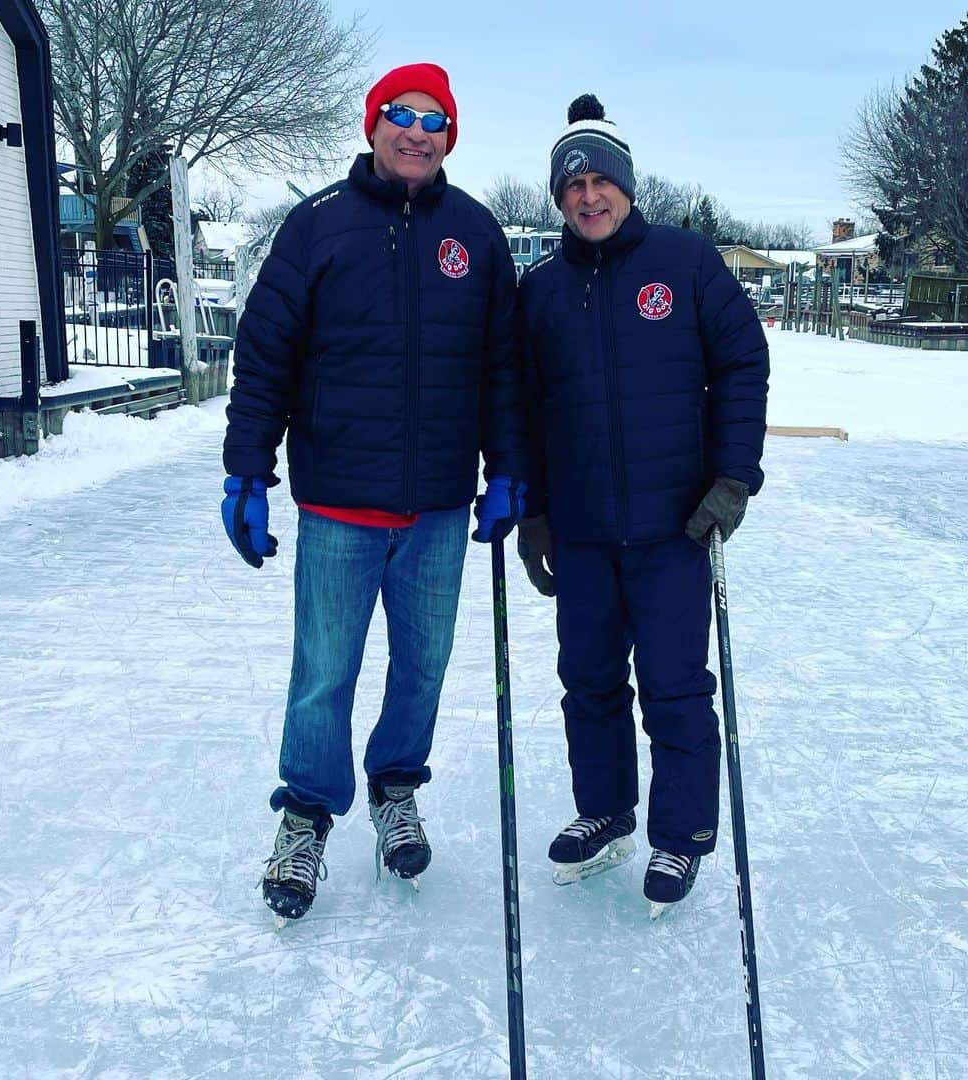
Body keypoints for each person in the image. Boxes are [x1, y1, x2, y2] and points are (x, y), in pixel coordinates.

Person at [222, 63, 527, 924]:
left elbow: (503, 368)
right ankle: (307, 818)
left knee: (423, 668)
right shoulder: (318, 226)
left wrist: (508, 469)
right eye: (402, 114)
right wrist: (248, 470)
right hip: (338, 506)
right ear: (374, 123)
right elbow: (265, 358)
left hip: (435, 507)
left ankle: (396, 789)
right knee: (324, 672)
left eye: (435, 119)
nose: (417, 131)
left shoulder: (477, 232)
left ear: (450, 137)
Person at [516, 94, 769, 915]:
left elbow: (742, 364)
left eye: (601, 181)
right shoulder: (542, 290)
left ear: (627, 186)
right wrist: (536, 512)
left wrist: (732, 477)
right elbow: (521, 405)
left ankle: (682, 835)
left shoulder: (685, 263)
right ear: (559, 198)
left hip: (673, 525)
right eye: (573, 185)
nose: (589, 196)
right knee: (588, 681)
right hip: (584, 531)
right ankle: (605, 811)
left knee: (673, 686)